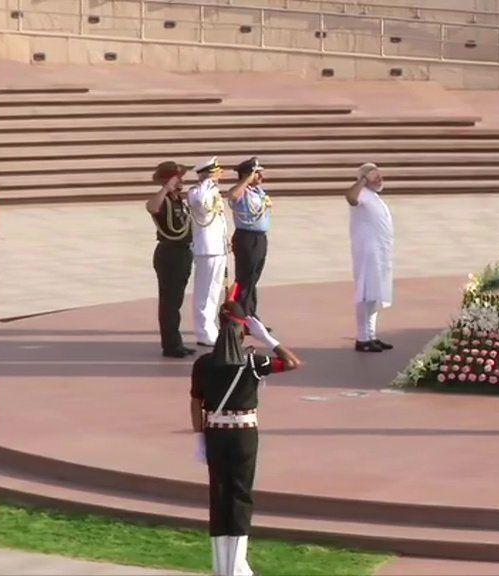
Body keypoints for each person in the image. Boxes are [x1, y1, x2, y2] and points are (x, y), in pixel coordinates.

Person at [190, 301, 302, 576]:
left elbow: (195, 403)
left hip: (215, 434)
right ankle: (235, 567)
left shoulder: (203, 363)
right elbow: (292, 363)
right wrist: (267, 338)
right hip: (243, 435)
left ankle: (221, 566)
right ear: (243, 330)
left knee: (218, 494)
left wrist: (200, 437)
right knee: (240, 495)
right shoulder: (253, 362)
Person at [146, 161, 195, 358]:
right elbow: (151, 207)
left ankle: (176, 342)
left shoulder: (178, 200)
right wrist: (166, 188)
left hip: (183, 252)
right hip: (169, 253)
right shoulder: (163, 199)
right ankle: (171, 345)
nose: (181, 181)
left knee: (176, 301)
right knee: (169, 303)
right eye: (178, 177)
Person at [345, 163, 395, 353]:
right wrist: (363, 180)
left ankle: (371, 335)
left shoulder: (374, 196)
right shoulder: (362, 193)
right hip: (367, 253)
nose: (379, 179)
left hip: (381, 253)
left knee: (375, 294)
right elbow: (350, 197)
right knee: (365, 294)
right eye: (375, 176)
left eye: (380, 176)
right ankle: (362, 338)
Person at [188, 157, 229, 347]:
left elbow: (219, 219)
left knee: (214, 291)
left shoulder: (213, 191)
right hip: (206, 249)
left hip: (217, 248)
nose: (220, 175)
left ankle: (210, 329)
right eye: (216, 172)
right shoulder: (196, 192)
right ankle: (203, 332)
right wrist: (206, 182)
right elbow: (202, 207)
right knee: (204, 292)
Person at [228, 157, 272, 319]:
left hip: (259, 238)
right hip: (246, 238)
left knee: (253, 277)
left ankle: (250, 313)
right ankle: (240, 314)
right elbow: (232, 196)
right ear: (247, 175)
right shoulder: (242, 192)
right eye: (257, 173)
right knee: (244, 278)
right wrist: (246, 179)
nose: (261, 177)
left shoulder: (258, 192)